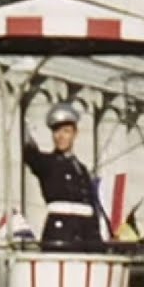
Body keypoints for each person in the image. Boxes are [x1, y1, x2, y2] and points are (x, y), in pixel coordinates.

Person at [23, 102, 105, 251]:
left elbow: (91, 207)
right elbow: (30, 153)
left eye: (66, 131)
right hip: (60, 236)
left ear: (75, 133)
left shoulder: (81, 169)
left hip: (86, 238)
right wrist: (24, 126)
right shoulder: (47, 163)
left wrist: (97, 242)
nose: (61, 136)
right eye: (57, 131)